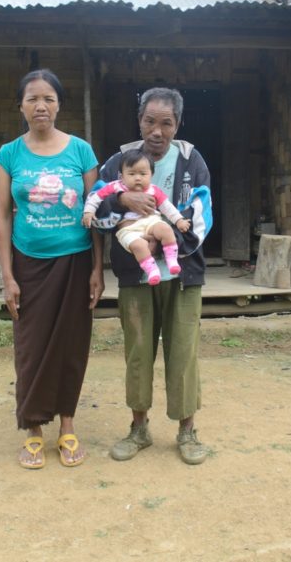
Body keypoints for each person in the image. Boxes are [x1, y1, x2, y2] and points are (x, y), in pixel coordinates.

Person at [91, 87, 212, 465]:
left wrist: (166, 239)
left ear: (177, 124)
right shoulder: (118, 162)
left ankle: (187, 431)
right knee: (138, 353)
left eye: (166, 123)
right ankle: (139, 428)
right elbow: (96, 214)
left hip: (183, 273)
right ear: (139, 120)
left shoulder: (192, 162)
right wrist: (121, 200)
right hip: (135, 275)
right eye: (149, 121)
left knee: (183, 353)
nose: (157, 131)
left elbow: (202, 215)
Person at [0, 68, 104, 469]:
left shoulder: (81, 151)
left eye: (49, 99)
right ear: (21, 105)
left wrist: (98, 268)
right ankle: (34, 429)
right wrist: (7, 276)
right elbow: (3, 217)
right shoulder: (8, 155)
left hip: (75, 263)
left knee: (72, 345)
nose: (41, 106)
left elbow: (95, 212)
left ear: (59, 104)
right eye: (32, 99)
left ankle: (68, 425)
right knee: (31, 346)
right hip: (28, 264)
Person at [81, 149, 191, 285]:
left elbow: (167, 207)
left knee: (166, 230)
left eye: (143, 174)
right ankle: (152, 270)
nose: (137, 178)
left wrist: (179, 220)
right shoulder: (115, 187)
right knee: (139, 247)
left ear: (151, 175)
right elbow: (96, 197)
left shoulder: (153, 190)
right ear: (121, 176)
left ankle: (172, 259)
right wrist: (89, 212)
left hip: (151, 222)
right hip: (128, 229)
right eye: (131, 174)